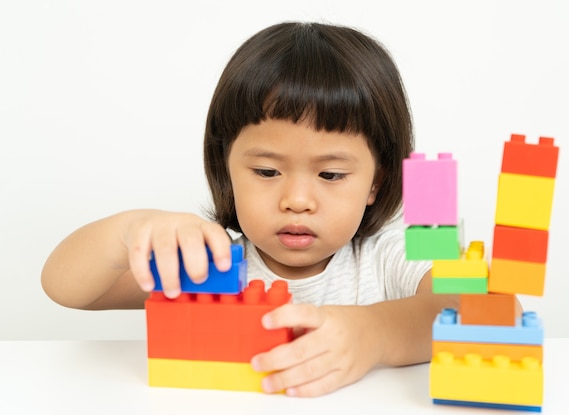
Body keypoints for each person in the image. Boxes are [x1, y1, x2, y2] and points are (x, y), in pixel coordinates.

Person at [41, 21, 458, 397]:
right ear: (227, 168)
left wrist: (374, 335)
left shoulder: (391, 253)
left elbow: (480, 309)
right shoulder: (210, 264)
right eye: (265, 170)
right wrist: (130, 230)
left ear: (376, 182)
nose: (296, 199)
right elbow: (66, 288)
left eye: (330, 175)